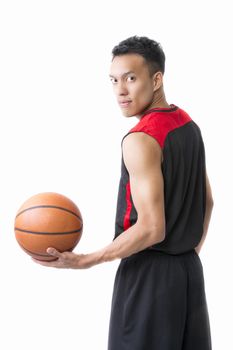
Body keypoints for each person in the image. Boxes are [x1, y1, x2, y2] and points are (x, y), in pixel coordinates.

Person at [34, 36, 214, 350]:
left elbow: (152, 228)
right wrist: (184, 256)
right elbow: (207, 201)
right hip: (188, 274)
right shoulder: (188, 125)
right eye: (114, 80)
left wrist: (87, 260)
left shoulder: (141, 139)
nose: (120, 90)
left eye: (131, 78)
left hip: (148, 277)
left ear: (156, 80)